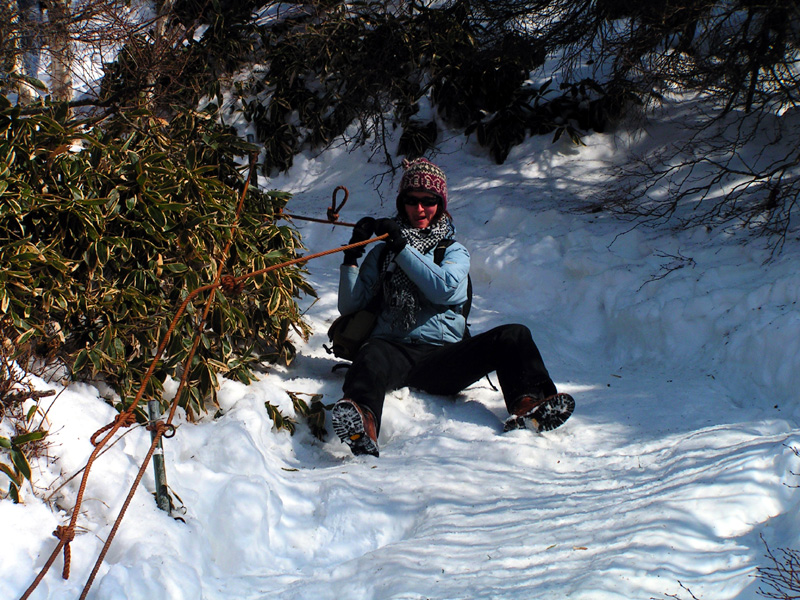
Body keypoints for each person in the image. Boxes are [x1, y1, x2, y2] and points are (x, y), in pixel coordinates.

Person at [331, 157, 574, 457]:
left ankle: (528, 404)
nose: (419, 209)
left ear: (441, 205)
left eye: (428, 201)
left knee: (515, 335)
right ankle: (363, 423)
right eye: (411, 201)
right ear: (401, 203)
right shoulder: (383, 252)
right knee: (370, 353)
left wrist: (401, 249)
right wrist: (352, 254)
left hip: (444, 358)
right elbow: (349, 305)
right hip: (393, 351)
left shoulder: (453, 251)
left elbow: (443, 289)